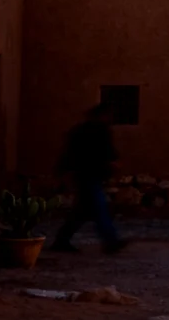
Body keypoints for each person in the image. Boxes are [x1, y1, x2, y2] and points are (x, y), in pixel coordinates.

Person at [51, 103, 126, 254]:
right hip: (89, 175)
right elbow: (104, 151)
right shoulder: (98, 131)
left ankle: (62, 240)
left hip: (84, 175)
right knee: (98, 208)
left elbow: (68, 152)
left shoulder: (82, 130)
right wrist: (112, 163)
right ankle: (110, 241)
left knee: (81, 211)